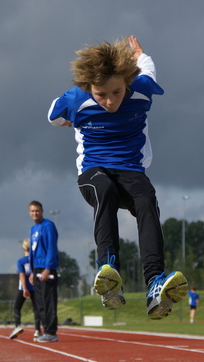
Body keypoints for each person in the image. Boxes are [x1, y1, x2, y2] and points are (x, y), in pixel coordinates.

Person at [47, 35, 188, 320]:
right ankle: (108, 272)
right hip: (93, 171)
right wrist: (70, 120)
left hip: (131, 170)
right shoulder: (75, 99)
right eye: (101, 94)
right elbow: (52, 116)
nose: (110, 101)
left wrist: (139, 54)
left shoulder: (142, 90)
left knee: (147, 198)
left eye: (117, 92)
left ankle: (154, 283)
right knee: (105, 190)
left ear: (127, 83)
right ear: (89, 88)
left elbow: (146, 67)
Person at [28, 201, 60, 343]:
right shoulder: (33, 229)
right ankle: (45, 328)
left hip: (47, 269)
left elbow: (52, 248)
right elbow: (32, 252)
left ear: (42, 211)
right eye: (32, 211)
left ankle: (51, 332)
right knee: (40, 302)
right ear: (29, 212)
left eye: (37, 211)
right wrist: (31, 272)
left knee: (49, 301)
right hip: (36, 269)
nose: (35, 213)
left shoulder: (48, 226)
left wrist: (48, 268)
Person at [9, 238, 42, 340]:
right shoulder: (36, 260)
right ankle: (37, 330)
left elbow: (22, 276)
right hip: (35, 287)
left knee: (17, 307)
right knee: (36, 309)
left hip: (24, 288)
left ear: (24, 248)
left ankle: (17, 325)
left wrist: (24, 289)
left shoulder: (21, 261)